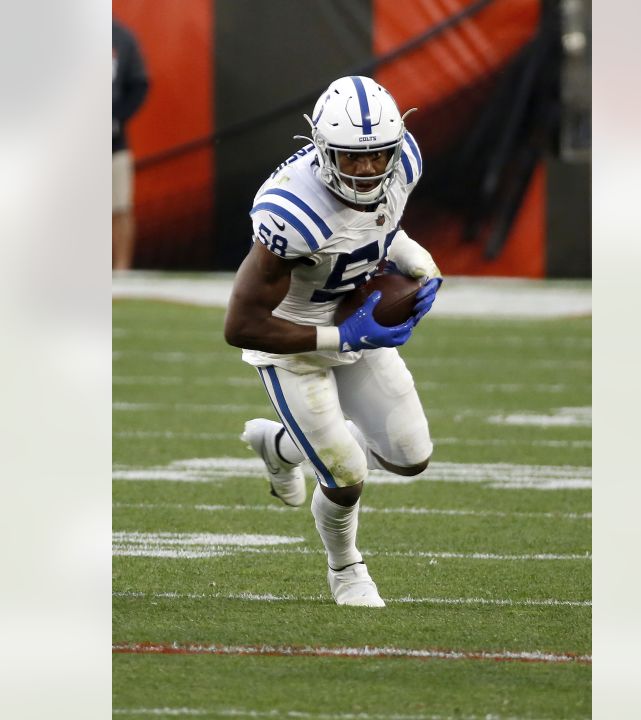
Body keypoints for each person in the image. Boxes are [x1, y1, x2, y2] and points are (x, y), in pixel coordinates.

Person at [224, 76, 443, 608]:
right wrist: (340, 335)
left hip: (353, 318)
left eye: (377, 157)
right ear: (322, 151)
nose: (368, 171)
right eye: (352, 159)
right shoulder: (290, 213)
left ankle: (281, 445)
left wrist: (418, 262)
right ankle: (346, 569)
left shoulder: (404, 163)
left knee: (412, 457)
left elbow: (378, 228)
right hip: (288, 339)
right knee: (346, 475)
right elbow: (241, 324)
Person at [112, 19, 149, 271]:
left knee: (120, 207)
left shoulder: (121, 38)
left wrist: (117, 116)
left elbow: (139, 83)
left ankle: (121, 271)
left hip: (113, 143)